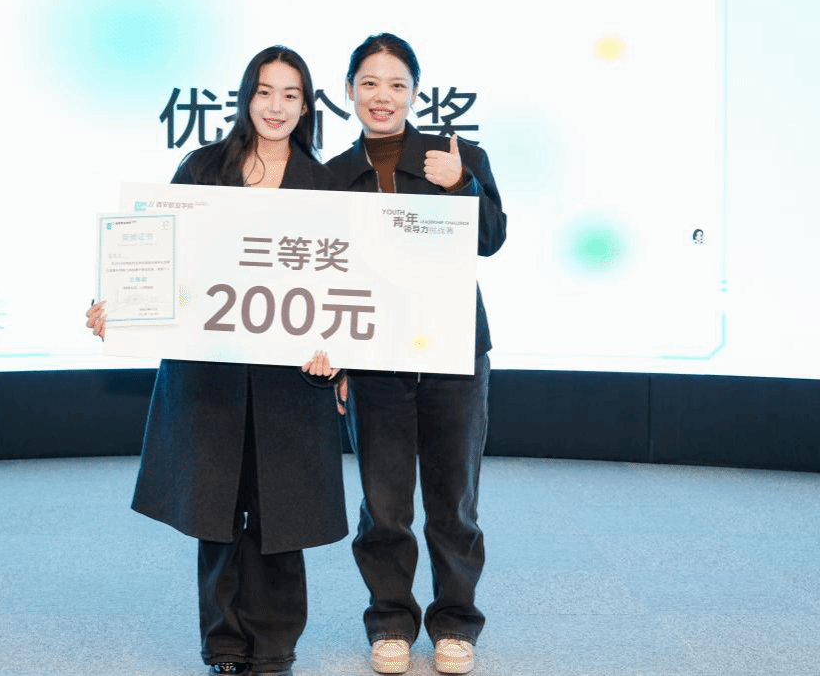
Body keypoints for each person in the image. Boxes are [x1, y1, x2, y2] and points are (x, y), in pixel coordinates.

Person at [85, 46, 347, 676]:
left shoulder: (324, 184)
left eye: (290, 95)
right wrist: (121, 306)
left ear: (306, 106)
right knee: (218, 512)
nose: (276, 106)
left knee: (282, 513)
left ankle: (275, 647)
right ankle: (224, 645)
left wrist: (339, 352)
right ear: (245, 96)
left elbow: (346, 284)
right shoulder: (203, 168)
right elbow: (160, 257)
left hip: (291, 379)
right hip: (212, 372)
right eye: (264, 91)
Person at [325, 33, 506, 676]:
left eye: (396, 84)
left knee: (454, 503)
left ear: (415, 92)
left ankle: (455, 623)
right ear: (350, 90)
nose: (383, 96)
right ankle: (390, 623)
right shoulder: (331, 176)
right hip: (375, 358)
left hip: (454, 353)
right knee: (384, 507)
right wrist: (338, 355)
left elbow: (491, 239)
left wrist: (463, 186)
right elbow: (324, 274)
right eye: (369, 83)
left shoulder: (457, 156)